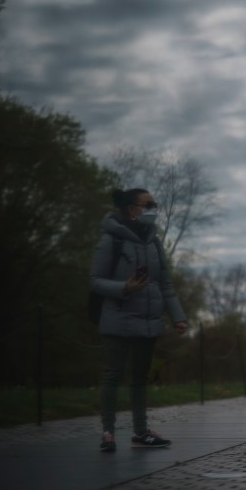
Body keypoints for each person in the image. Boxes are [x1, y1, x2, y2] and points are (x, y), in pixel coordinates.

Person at [90, 188, 188, 451]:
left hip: (148, 321)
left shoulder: (154, 243)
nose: (154, 208)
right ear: (132, 209)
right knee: (112, 376)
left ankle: (141, 432)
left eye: (155, 204)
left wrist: (178, 317)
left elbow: (165, 285)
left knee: (140, 379)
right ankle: (108, 433)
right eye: (148, 204)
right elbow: (95, 281)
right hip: (118, 318)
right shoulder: (112, 240)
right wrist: (125, 288)